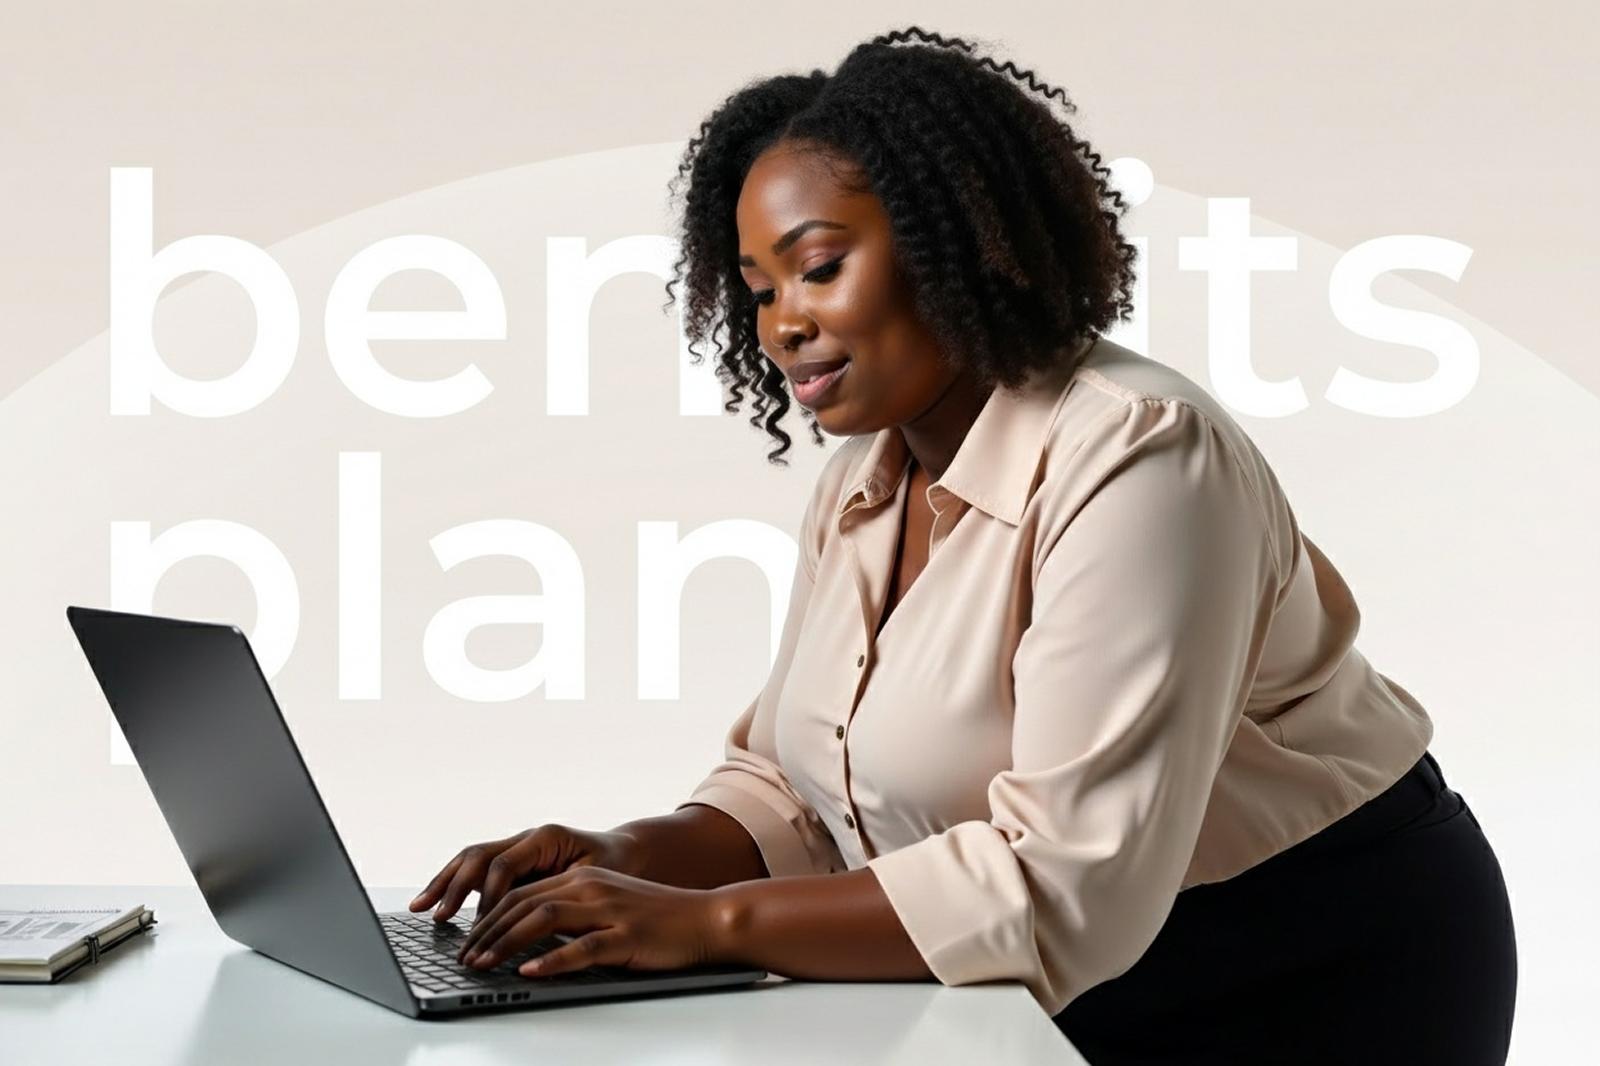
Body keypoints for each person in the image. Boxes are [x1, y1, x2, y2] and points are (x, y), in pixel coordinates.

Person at [408, 26, 1518, 1064]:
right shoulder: (866, 480)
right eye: (757, 290)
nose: (781, 319)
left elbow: (1062, 884)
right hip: (1049, 969)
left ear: (957, 244)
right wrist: (627, 854)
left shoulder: (1139, 456)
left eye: (820, 265)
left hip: (1303, 959)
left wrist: (702, 926)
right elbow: (797, 790)